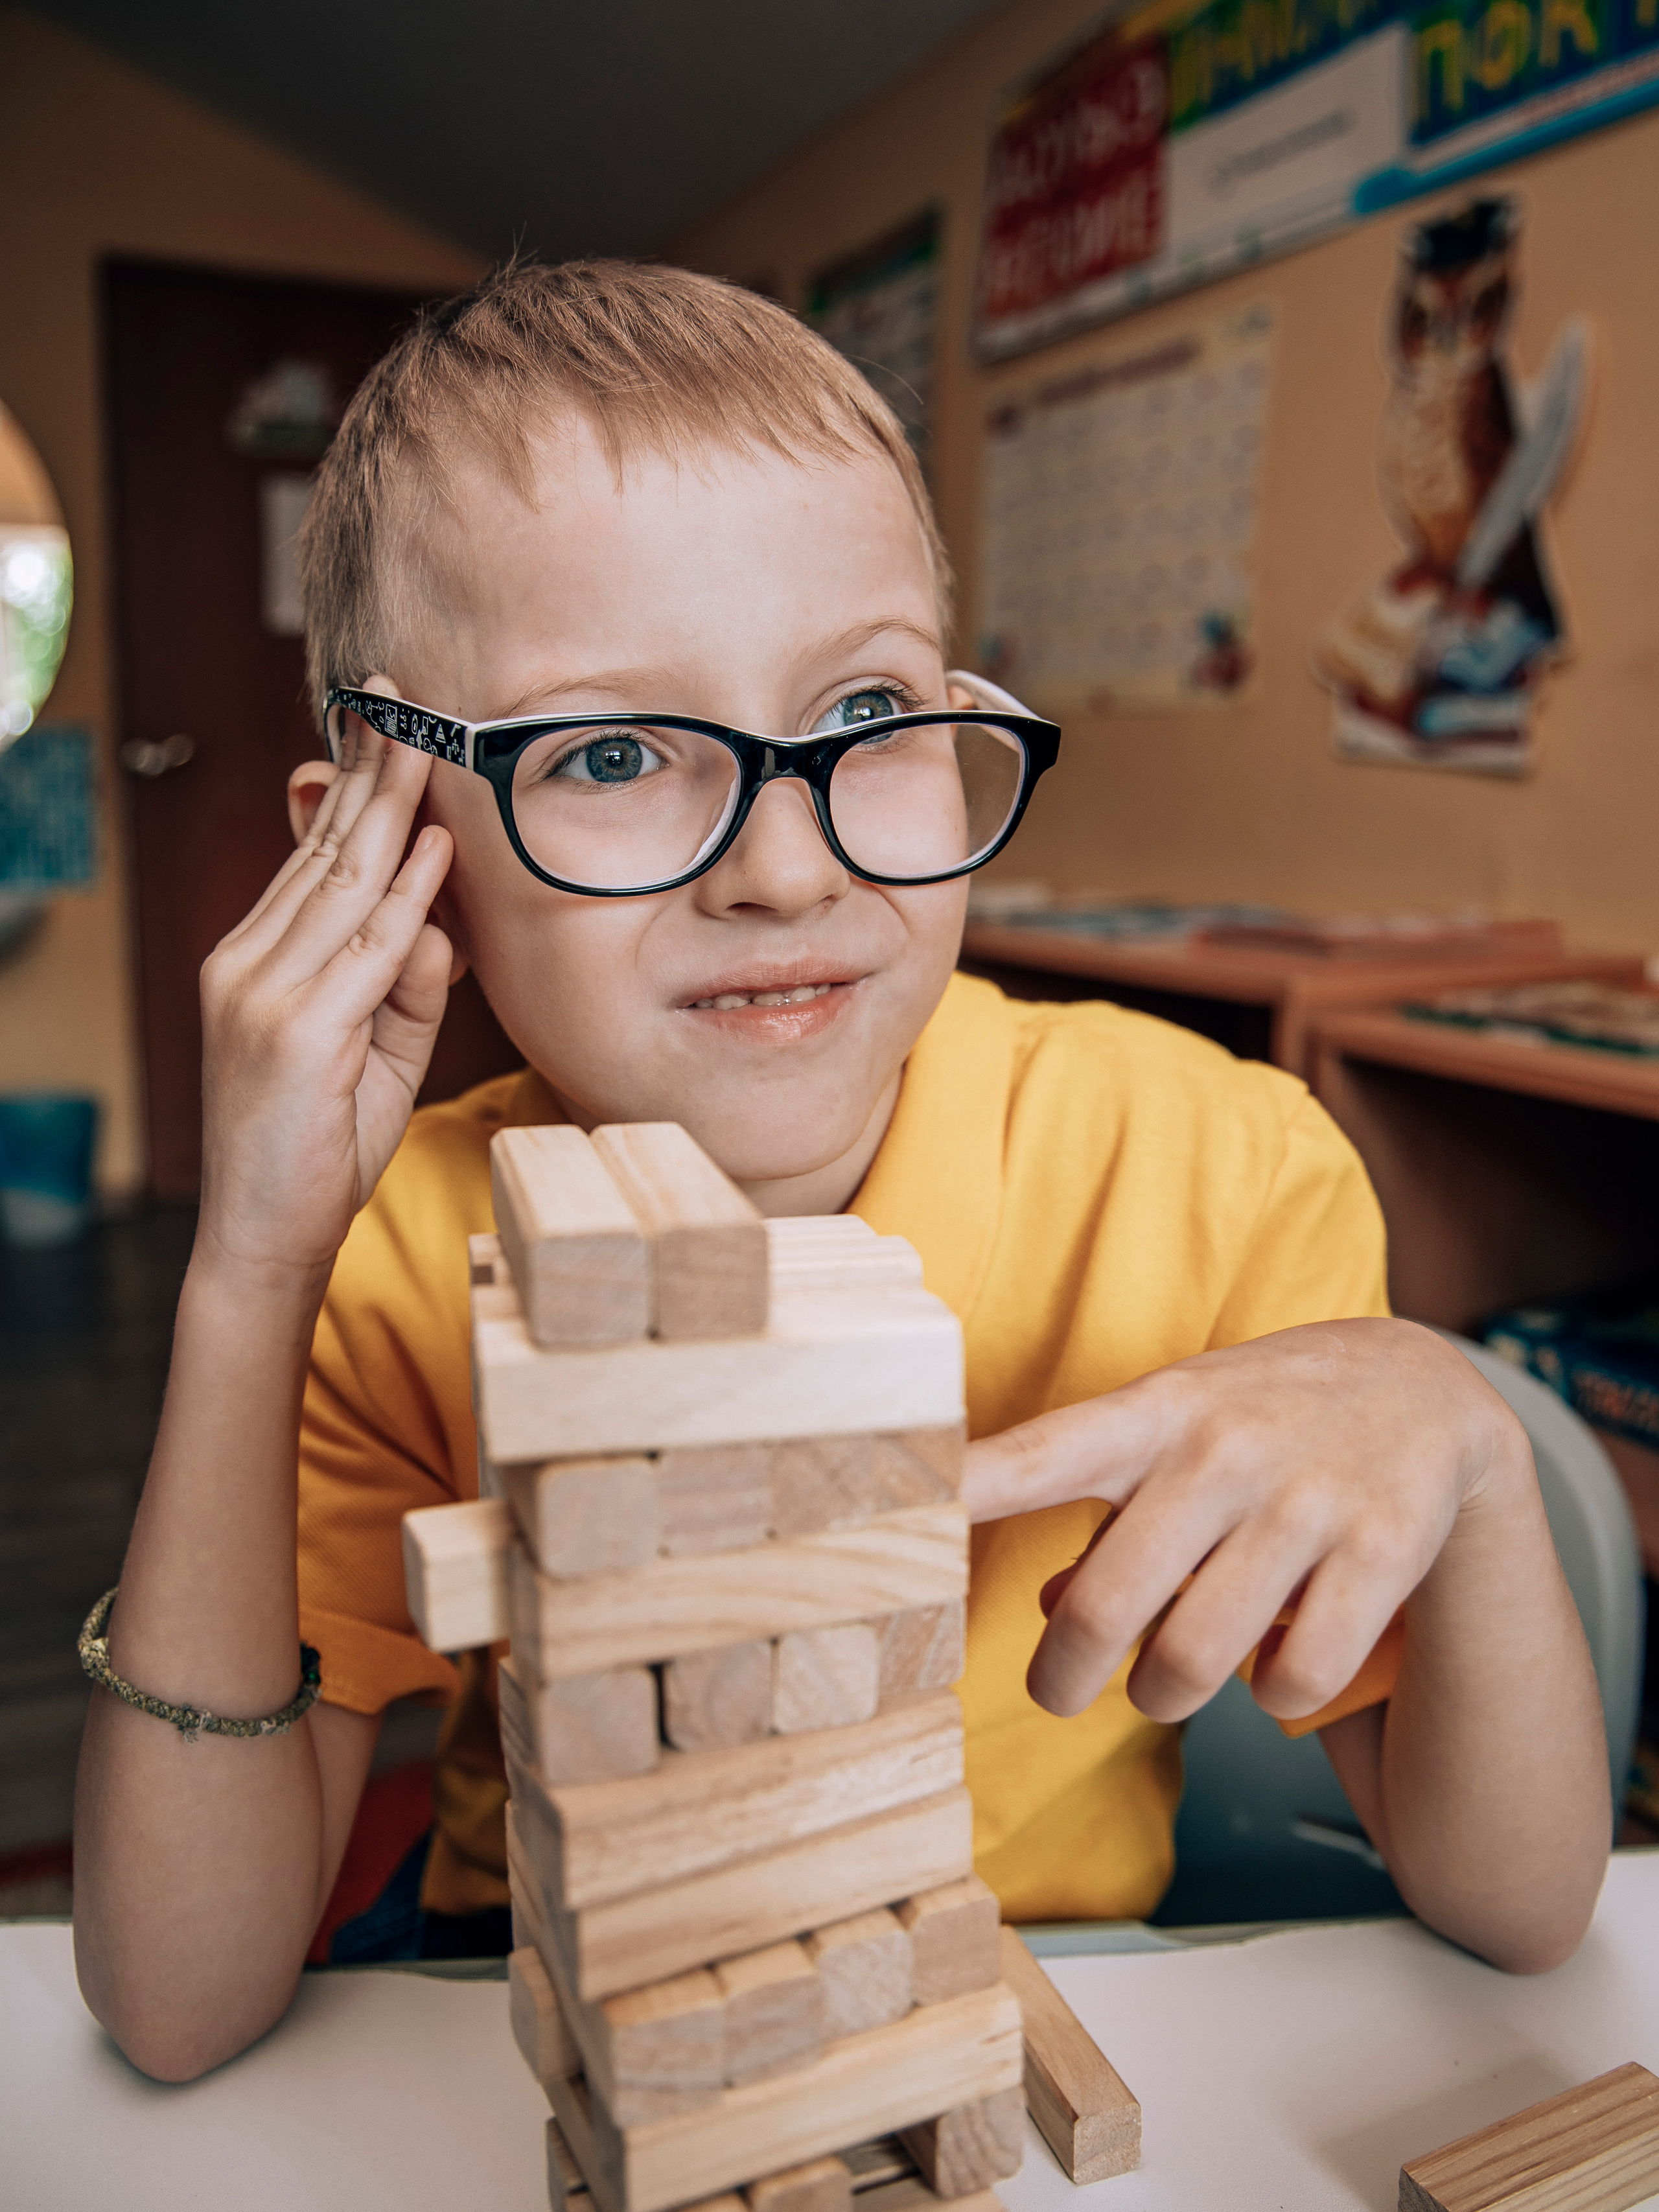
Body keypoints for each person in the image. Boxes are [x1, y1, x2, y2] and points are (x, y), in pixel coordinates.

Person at [73, 261, 1608, 2083]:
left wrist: (1472, 1445)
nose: (788, 868)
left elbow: (1523, 1909)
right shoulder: (400, 1254)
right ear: (389, 854)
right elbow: (175, 2005)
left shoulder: (1216, 1173)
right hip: (555, 2022)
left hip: (1036, 2009)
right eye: (620, 751)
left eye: (868, 722)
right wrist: (252, 1273)